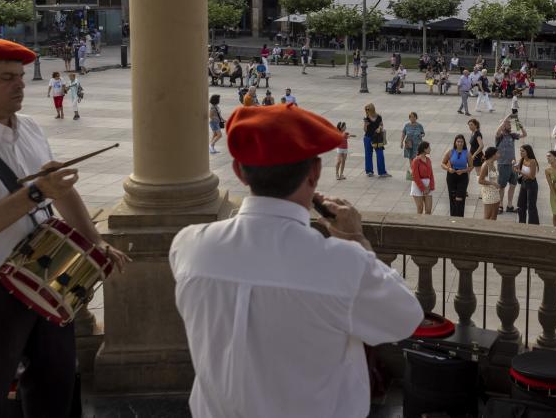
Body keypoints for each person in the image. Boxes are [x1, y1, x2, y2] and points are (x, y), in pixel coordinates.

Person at [170, 104, 422, 417]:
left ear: (239, 172)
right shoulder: (342, 264)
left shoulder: (189, 247)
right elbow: (406, 317)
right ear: (314, 173)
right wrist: (357, 240)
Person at [0, 37, 128, 418]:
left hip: (42, 273)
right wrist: (35, 194)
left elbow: (60, 192)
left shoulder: (30, 127)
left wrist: (95, 241)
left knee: (57, 379)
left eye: (19, 76)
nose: (20, 84)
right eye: (6, 78)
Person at [494, 116, 525, 214]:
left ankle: (510, 206)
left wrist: (518, 122)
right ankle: (500, 205)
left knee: (513, 185)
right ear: (503, 125)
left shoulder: (512, 135)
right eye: (508, 124)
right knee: (501, 186)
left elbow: (524, 134)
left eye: (510, 124)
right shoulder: (499, 136)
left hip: (513, 165)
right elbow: (498, 130)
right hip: (502, 164)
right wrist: (508, 117)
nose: (509, 125)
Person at [443, 134, 471, 217]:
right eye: (458, 141)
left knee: (460, 198)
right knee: (452, 197)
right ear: (455, 142)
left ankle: (460, 216)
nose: (460, 143)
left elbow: (471, 166)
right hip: (452, 175)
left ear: (464, 143)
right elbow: (442, 163)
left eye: (461, 142)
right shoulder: (450, 152)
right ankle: (453, 216)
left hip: (462, 176)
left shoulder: (467, 153)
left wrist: (463, 171)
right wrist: (449, 169)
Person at [512, 144, 540, 225]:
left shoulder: (532, 161)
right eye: (520, 151)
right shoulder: (522, 159)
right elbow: (516, 167)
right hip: (524, 184)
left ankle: (533, 225)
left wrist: (520, 172)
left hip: (531, 185)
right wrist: (514, 165)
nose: (521, 152)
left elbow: (532, 176)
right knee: (520, 205)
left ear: (528, 152)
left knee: (531, 206)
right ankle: (522, 222)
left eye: (523, 151)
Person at [362, 103, 390, 177]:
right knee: (368, 154)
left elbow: (381, 125)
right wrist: (365, 125)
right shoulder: (366, 118)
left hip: (377, 138)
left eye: (368, 109)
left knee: (380, 154)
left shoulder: (378, 117)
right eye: (366, 110)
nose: (367, 111)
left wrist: (379, 128)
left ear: (372, 109)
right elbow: (365, 130)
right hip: (368, 138)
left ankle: (382, 172)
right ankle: (369, 171)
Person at [410, 141, 435, 215]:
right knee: (420, 208)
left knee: (428, 209)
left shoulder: (428, 160)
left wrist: (430, 186)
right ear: (424, 149)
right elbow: (415, 176)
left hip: (428, 186)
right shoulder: (416, 161)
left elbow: (431, 175)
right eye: (429, 148)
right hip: (417, 186)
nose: (430, 149)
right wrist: (423, 188)